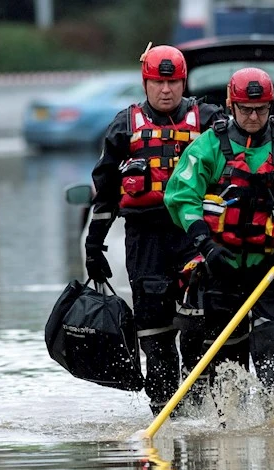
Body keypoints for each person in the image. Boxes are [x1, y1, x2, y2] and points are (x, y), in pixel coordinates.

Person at [164, 67, 274, 414]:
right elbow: (181, 197)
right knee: (228, 365)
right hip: (222, 267)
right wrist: (206, 246)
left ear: (271, 106)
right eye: (246, 109)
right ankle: (230, 430)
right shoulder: (207, 147)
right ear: (231, 105)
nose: (254, 117)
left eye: (261, 109)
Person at [84, 44, 224, 415]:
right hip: (145, 240)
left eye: (174, 82)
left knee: (197, 327)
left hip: (194, 237)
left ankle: (199, 411)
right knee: (155, 333)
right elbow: (106, 193)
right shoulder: (123, 127)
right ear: (145, 83)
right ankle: (166, 412)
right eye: (159, 83)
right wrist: (93, 247)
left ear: (184, 82)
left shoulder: (210, 120)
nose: (167, 90)